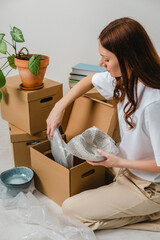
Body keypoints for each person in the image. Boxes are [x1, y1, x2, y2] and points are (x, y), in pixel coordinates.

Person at [46, 17, 160, 231]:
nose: (101, 63)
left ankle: (154, 213)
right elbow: (89, 79)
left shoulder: (154, 104)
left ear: (128, 58)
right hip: (125, 167)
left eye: (105, 58)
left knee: (69, 209)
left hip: (149, 186)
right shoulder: (125, 78)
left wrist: (117, 163)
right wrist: (58, 107)